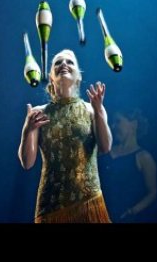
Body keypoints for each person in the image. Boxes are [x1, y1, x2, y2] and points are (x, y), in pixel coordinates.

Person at [18, 49, 113, 223]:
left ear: (79, 76)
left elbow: (105, 147)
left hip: (89, 202)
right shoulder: (38, 113)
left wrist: (99, 110)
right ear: (51, 77)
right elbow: (27, 163)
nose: (64, 64)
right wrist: (27, 130)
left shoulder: (92, 109)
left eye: (70, 62)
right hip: (51, 205)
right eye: (58, 62)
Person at [99, 109, 157, 222]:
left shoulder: (143, 157)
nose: (113, 126)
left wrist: (132, 211)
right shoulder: (105, 151)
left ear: (133, 124)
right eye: (112, 122)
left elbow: (152, 192)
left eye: (118, 121)